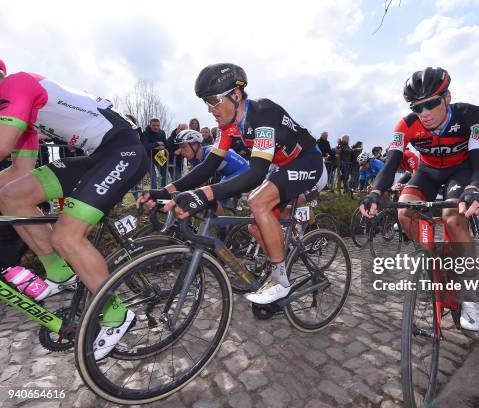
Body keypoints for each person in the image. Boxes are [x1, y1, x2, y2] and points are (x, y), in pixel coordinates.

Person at [138, 63, 324, 305]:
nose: (210, 109)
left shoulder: (263, 114)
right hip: (283, 167)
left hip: (308, 162)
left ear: (236, 95)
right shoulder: (226, 128)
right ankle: (281, 265)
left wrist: (202, 195)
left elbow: (256, 174)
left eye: (214, 100)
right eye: (206, 102)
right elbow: (208, 165)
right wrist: (165, 190)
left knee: (257, 201)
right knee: (255, 228)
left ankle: (280, 282)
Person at [0, 67, 147, 359]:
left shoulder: (16, 85)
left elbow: (1, 145)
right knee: (11, 195)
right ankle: (60, 271)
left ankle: (117, 314)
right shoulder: (19, 114)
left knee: (68, 236)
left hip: (124, 152)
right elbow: (19, 172)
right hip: (97, 157)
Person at [360, 67, 479, 331]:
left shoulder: (472, 115)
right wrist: (375, 192)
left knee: (453, 219)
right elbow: (390, 164)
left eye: (431, 104)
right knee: (404, 212)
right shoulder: (406, 125)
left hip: (461, 172)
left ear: (447, 97)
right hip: (427, 173)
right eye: (417, 107)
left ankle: (469, 295)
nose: (425, 113)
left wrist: (476, 188)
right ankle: (434, 261)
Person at [141, 118, 168, 189]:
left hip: (159, 155)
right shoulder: (145, 133)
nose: (156, 127)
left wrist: (159, 147)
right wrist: (156, 144)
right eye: (154, 125)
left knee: (165, 173)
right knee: (153, 175)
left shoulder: (162, 132)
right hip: (148, 156)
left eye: (157, 125)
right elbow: (145, 146)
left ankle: (164, 191)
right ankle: (154, 193)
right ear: (150, 125)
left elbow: (165, 144)